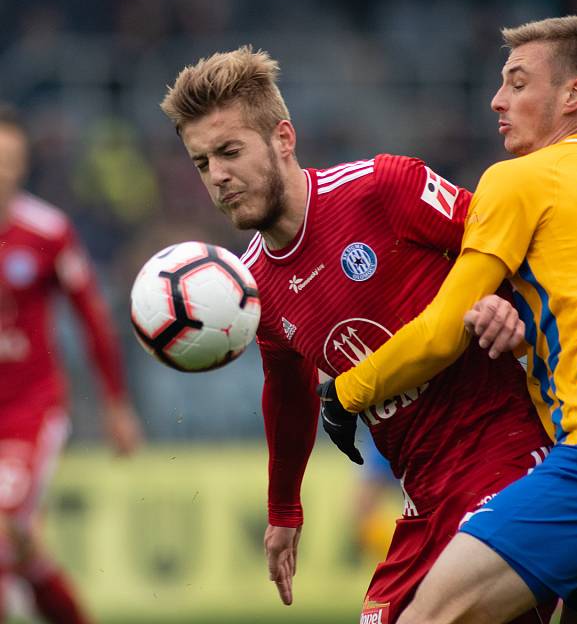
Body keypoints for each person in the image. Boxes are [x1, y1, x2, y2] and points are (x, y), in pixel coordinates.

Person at [325, 16, 577, 624]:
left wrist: (347, 391)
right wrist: (509, 318)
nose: (497, 99)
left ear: (573, 94)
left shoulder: (522, 177)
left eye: (517, 82)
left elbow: (440, 331)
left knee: (427, 616)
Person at [159, 47, 555, 624]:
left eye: (229, 151)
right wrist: (283, 510)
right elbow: (289, 394)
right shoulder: (252, 289)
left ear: (283, 139)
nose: (217, 176)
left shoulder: (381, 189)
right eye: (201, 163)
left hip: (509, 456)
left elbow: (507, 245)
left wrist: (510, 308)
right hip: (422, 496)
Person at [0, 104, 143, 624]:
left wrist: (116, 404)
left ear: (24, 164)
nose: (2, 170)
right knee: (21, 546)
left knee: (4, 528)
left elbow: (93, 320)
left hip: (28, 411)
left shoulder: (48, 231)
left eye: (10, 159)